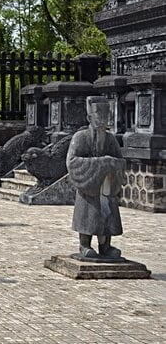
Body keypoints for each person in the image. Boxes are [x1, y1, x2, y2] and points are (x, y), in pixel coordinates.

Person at [66, 97, 125, 260]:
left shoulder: (111, 139)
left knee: (107, 212)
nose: (102, 119)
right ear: (89, 118)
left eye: (106, 116)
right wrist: (100, 163)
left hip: (106, 185)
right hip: (89, 184)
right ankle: (84, 244)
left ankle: (105, 246)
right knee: (88, 213)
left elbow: (120, 161)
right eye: (99, 115)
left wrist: (113, 165)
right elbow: (72, 161)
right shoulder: (80, 137)